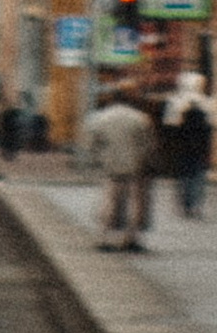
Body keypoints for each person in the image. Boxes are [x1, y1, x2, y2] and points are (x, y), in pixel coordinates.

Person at [83, 84, 156, 249]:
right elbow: (148, 146)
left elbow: (92, 144)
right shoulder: (141, 118)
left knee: (109, 201)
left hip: (111, 166)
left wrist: (98, 159)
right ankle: (130, 239)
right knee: (135, 203)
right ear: (130, 100)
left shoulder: (100, 118)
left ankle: (103, 238)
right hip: (135, 167)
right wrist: (146, 163)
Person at [159, 68, 212, 222]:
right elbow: (211, 125)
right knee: (197, 177)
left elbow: (169, 126)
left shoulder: (175, 103)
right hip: (200, 148)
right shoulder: (207, 103)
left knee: (185, 177)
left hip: (183, 147)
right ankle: (194, 204)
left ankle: (186, 204)